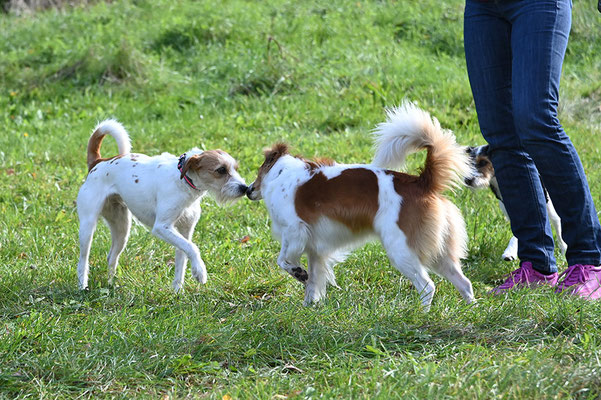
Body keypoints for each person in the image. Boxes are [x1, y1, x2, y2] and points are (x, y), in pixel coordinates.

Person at [463, 0, 601, 298]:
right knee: (501, 133)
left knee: (535, 120)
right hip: (483, 8)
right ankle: (536, 264)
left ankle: (589, 260)